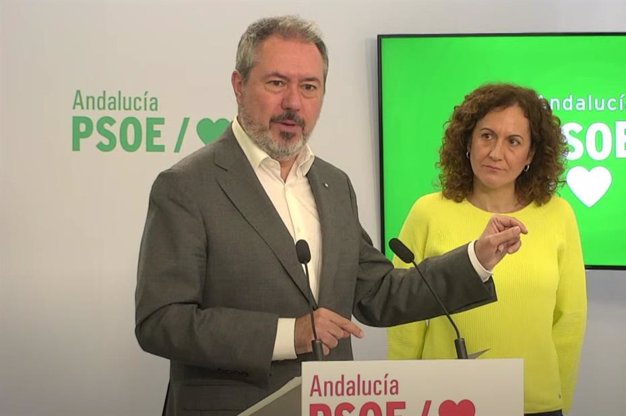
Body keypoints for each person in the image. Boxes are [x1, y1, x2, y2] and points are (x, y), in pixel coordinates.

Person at [135, 17, 527, 415]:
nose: (293, 102)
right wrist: (292, 333)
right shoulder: (187, 186)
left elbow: (379, 293)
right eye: (276, 83)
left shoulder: (333, 184)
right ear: (239, 86)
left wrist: (476, 258)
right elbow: (161, 320)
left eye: (309, 87)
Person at [387, 83, 587, 416]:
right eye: (486, 136)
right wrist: (402, 399)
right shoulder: (427, 212)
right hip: (442, 403)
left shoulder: (558, 215)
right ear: (467, 141)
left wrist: (559, 399)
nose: (496, 153)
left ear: (531, 155)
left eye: (514, 141)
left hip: (535, 403)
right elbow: (403, 318)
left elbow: (570, 319)